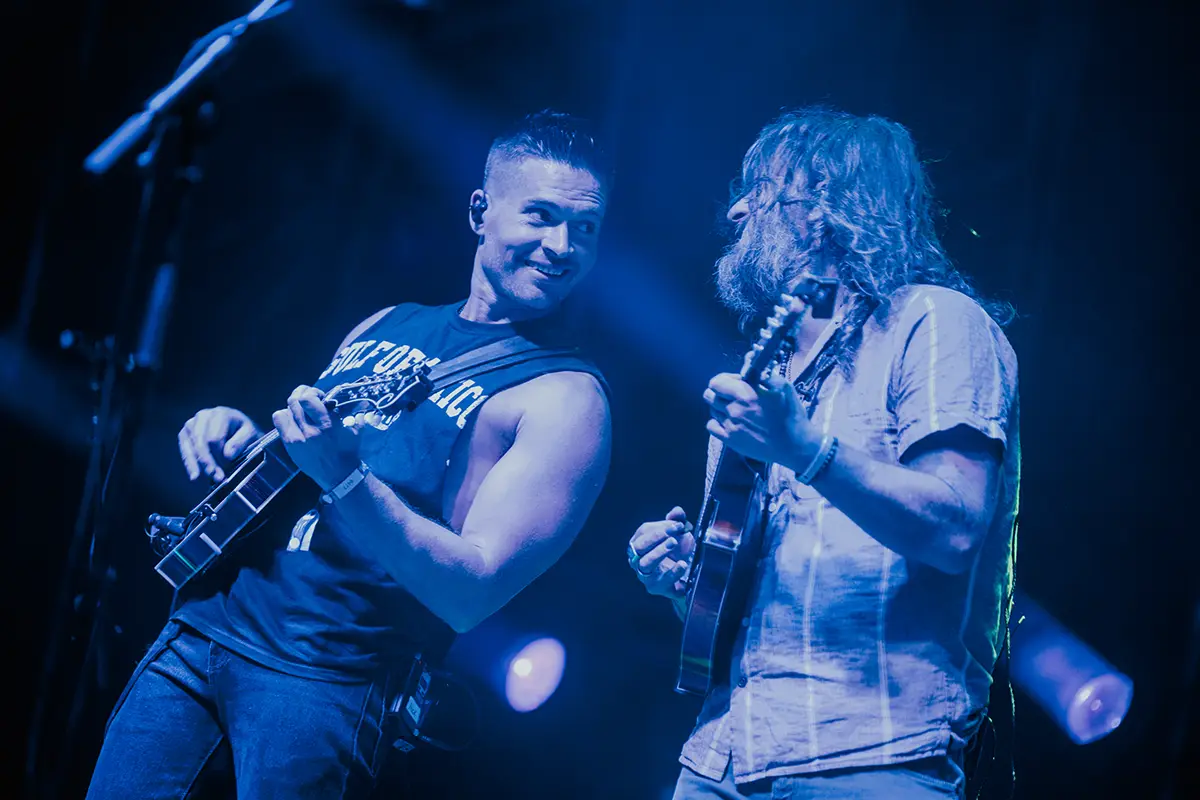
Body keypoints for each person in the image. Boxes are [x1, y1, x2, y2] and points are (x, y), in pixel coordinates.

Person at [85, 110, 614, 798]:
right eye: (540, 216)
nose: (562, 246)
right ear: (481, 211)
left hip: (324, 679)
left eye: (585, 229)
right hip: (201, 628)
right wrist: (247, 443)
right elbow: (306, 460)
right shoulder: (387, 323)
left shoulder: (567, 397)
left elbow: (472, 591)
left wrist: (347, 477)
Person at [628, 106, 1019, 799]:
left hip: (873, 752)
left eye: (762, 190)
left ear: (823, 210)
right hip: (721, 755)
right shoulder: (762, 386)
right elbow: (740, 609)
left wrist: (806, 449)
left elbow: (957, 527)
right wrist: (684, 582)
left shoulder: (932, 322)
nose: (739, 211)